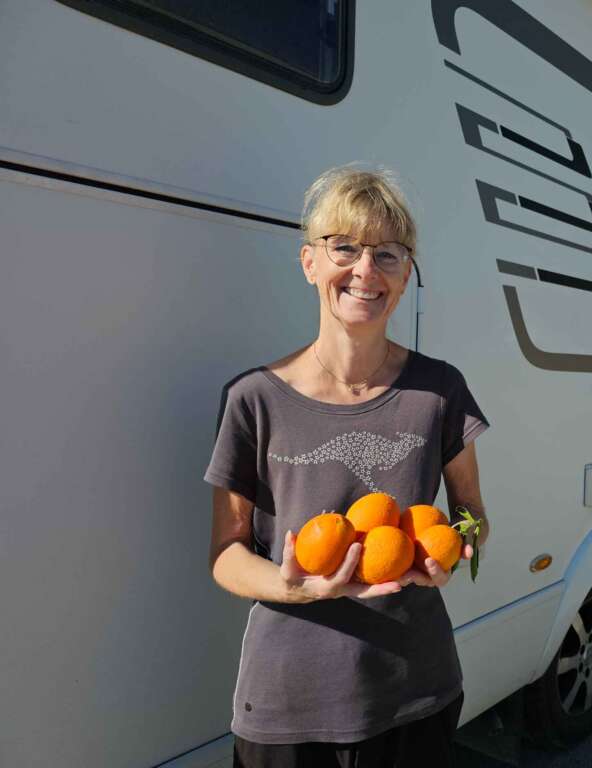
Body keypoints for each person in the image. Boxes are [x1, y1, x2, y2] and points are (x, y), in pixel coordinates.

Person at [204, 167, 489, 768]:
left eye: (387, 254)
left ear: (405, 275)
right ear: (309, 262)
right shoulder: (253, 398)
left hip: (417, 692)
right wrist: (290, 586)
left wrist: (454, 553)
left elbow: (472, 513)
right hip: (288, 706)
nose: (365, 270)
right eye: (344, 248)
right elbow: (226, 554)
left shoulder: (438, 390)